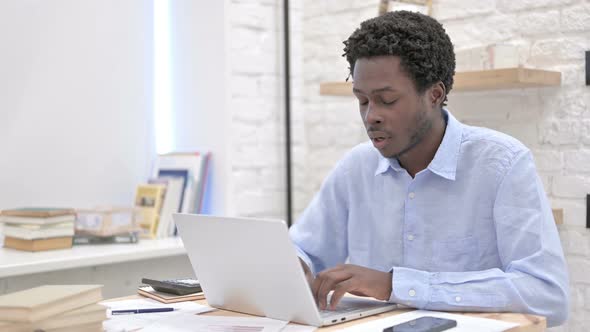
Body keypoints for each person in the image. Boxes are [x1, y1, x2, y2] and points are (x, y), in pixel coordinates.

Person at [289, 11, 569, 327]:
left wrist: (394, 285)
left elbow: (548, 295)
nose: (371, 116)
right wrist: (293, 265)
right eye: (363, 100)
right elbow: (303, 249)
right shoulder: (356, 167)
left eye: (387, 100)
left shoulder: (502, 164)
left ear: (435, 95)